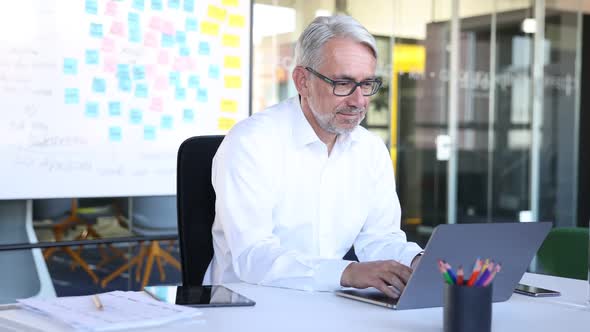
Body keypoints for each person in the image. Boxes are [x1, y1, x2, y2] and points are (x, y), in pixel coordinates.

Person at [204, 15, 423, 298]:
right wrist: (348, 273)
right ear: (302, 81)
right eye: (343, 83)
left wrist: (419, 263)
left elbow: (380, 239)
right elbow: (252, 256)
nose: (358, 101)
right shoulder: (251, 143)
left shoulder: (371, 150)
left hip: (328, 302)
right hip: (248, 305)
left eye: (367, 84)